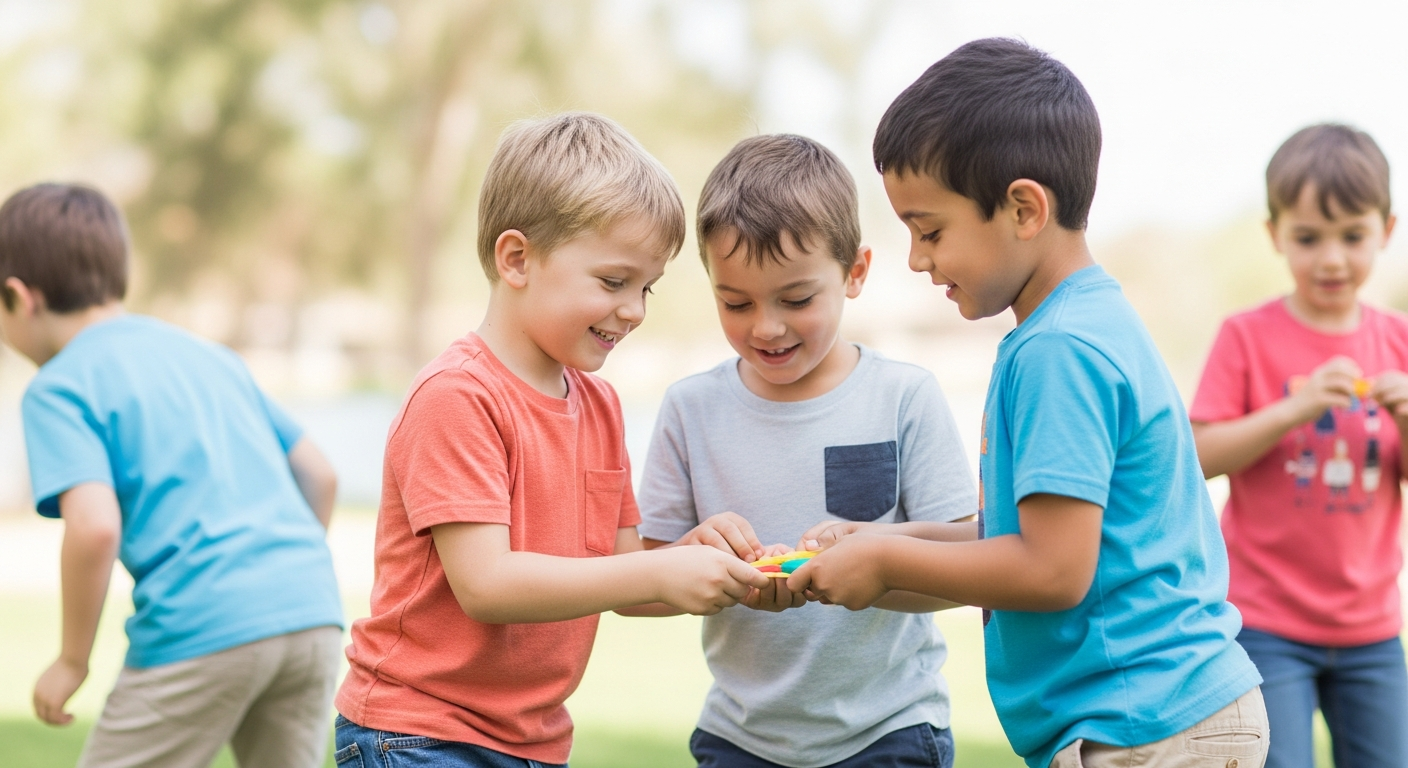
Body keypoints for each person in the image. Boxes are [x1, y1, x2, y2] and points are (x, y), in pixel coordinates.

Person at [786, 39, 1267, 768]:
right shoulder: (1081, 324)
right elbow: (1022, 535)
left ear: (1022, 207)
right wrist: (883, 542)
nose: (918, 259)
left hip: (1149, 725)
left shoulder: (1059, 350)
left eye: (931, 230)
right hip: (1158, 717)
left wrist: (885, 560)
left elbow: (1050, 570)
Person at [332, 112, 770, 768]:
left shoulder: (600, 406)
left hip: (531, 739)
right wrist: (655, 567)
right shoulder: (458, 396)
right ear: (517, 259)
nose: (635, 310)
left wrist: (696, 559)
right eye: (613, 281)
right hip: (418, 732)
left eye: (646, 287)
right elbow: (487, 583)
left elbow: (621, 576)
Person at [637, 134, 976, 768]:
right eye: (735, 302)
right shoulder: (691, 409)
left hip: (890, 731)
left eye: (796, 299)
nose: (765, 327)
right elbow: (638, 581)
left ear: (855, 272)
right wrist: (694, 559)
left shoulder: (903, 396)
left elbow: (964, 566)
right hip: (740, 738)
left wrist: (874, 567)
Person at [0, 183, 344, 768]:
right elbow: (319, 472)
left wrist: (71, 661)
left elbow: (94, 529)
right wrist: (274, 580)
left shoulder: (58, 387)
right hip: (311, 614)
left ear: (19, 297)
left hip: (201, 625)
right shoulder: (206, 355)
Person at [1190, 124, 1407, 768]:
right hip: (1267, 621)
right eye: (1309, 238)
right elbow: (1199, 456)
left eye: (1352, 236)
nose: (1332, 259)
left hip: (1372, 629)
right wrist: (1297, 407)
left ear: (1386, 231)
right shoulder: (1247, 337)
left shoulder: (1397, 340)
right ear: (1276, 234)